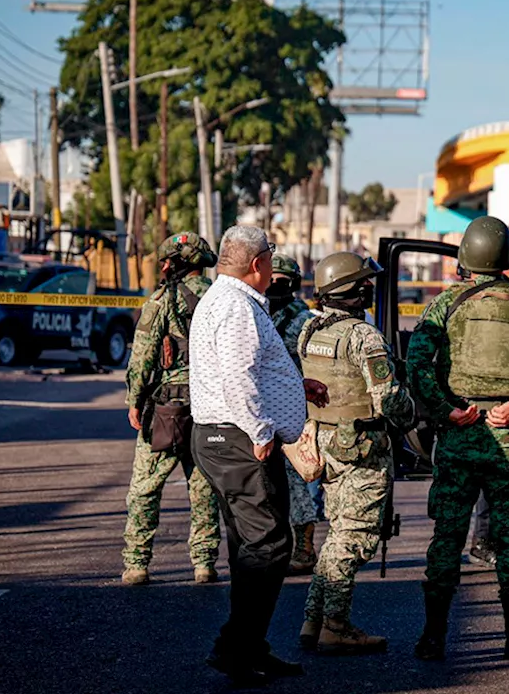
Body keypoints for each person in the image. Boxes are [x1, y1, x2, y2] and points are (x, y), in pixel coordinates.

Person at [407, 215, 509, 661]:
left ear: (465, 256)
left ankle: (434, 636)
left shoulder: (444, 305)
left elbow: (417, 365)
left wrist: (446, 410)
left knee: (447, 539)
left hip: (459, 438)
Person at [189, 225, 327, 686]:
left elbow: (251, 371)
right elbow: (237, 378)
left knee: (252, 545)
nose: (273, 266)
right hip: (237, 440)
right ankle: (235, 649)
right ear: (258, 264)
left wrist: (294, 386)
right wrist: (261, 430)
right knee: (269, 545)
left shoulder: (232, 300)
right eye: (271, 257)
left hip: (229, 438)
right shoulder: (234, 306)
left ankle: (249, 647)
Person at [296, 251, 414, 654]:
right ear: (350, 288)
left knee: (337, 534)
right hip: (364, 448)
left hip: (326, 445)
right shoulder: (364, 337)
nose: (369, 288)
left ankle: (313, 619)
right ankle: (337, 625)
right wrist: (415, 412)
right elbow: (388, 400)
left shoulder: (310, 331)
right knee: (355, 536)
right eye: (364, 282)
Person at [121, 232, 222, 586]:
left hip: (169, 408)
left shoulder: (163, 299)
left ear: (177, 263)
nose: (161, 267)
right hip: (212, 407)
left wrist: (134, 401)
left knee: (145, 486)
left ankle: (137, 563)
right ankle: (204, 562)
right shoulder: (223, 298)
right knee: (204, 484)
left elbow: (143, 355)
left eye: (165, 261)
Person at [266, 253, 322, 575]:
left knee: (297, 481)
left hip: (294, 414)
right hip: (261, 412)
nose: (275, 286)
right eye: (271, 279)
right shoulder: (256, 314)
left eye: (281, 281)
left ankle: (303, 548)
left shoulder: (304, 320)